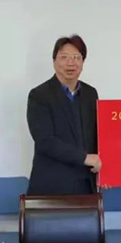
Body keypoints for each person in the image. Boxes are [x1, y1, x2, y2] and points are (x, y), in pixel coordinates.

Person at [27, 35, 101, 196]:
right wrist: (84, 158)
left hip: (86, 185)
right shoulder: (39, 95)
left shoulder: (90, 94)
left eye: (76, 57)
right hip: (52, 186)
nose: (71, 63)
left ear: (82, 63)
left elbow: (98, 135)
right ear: (54, 61)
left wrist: (106, 170)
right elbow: (45, 141)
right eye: (64, 57)